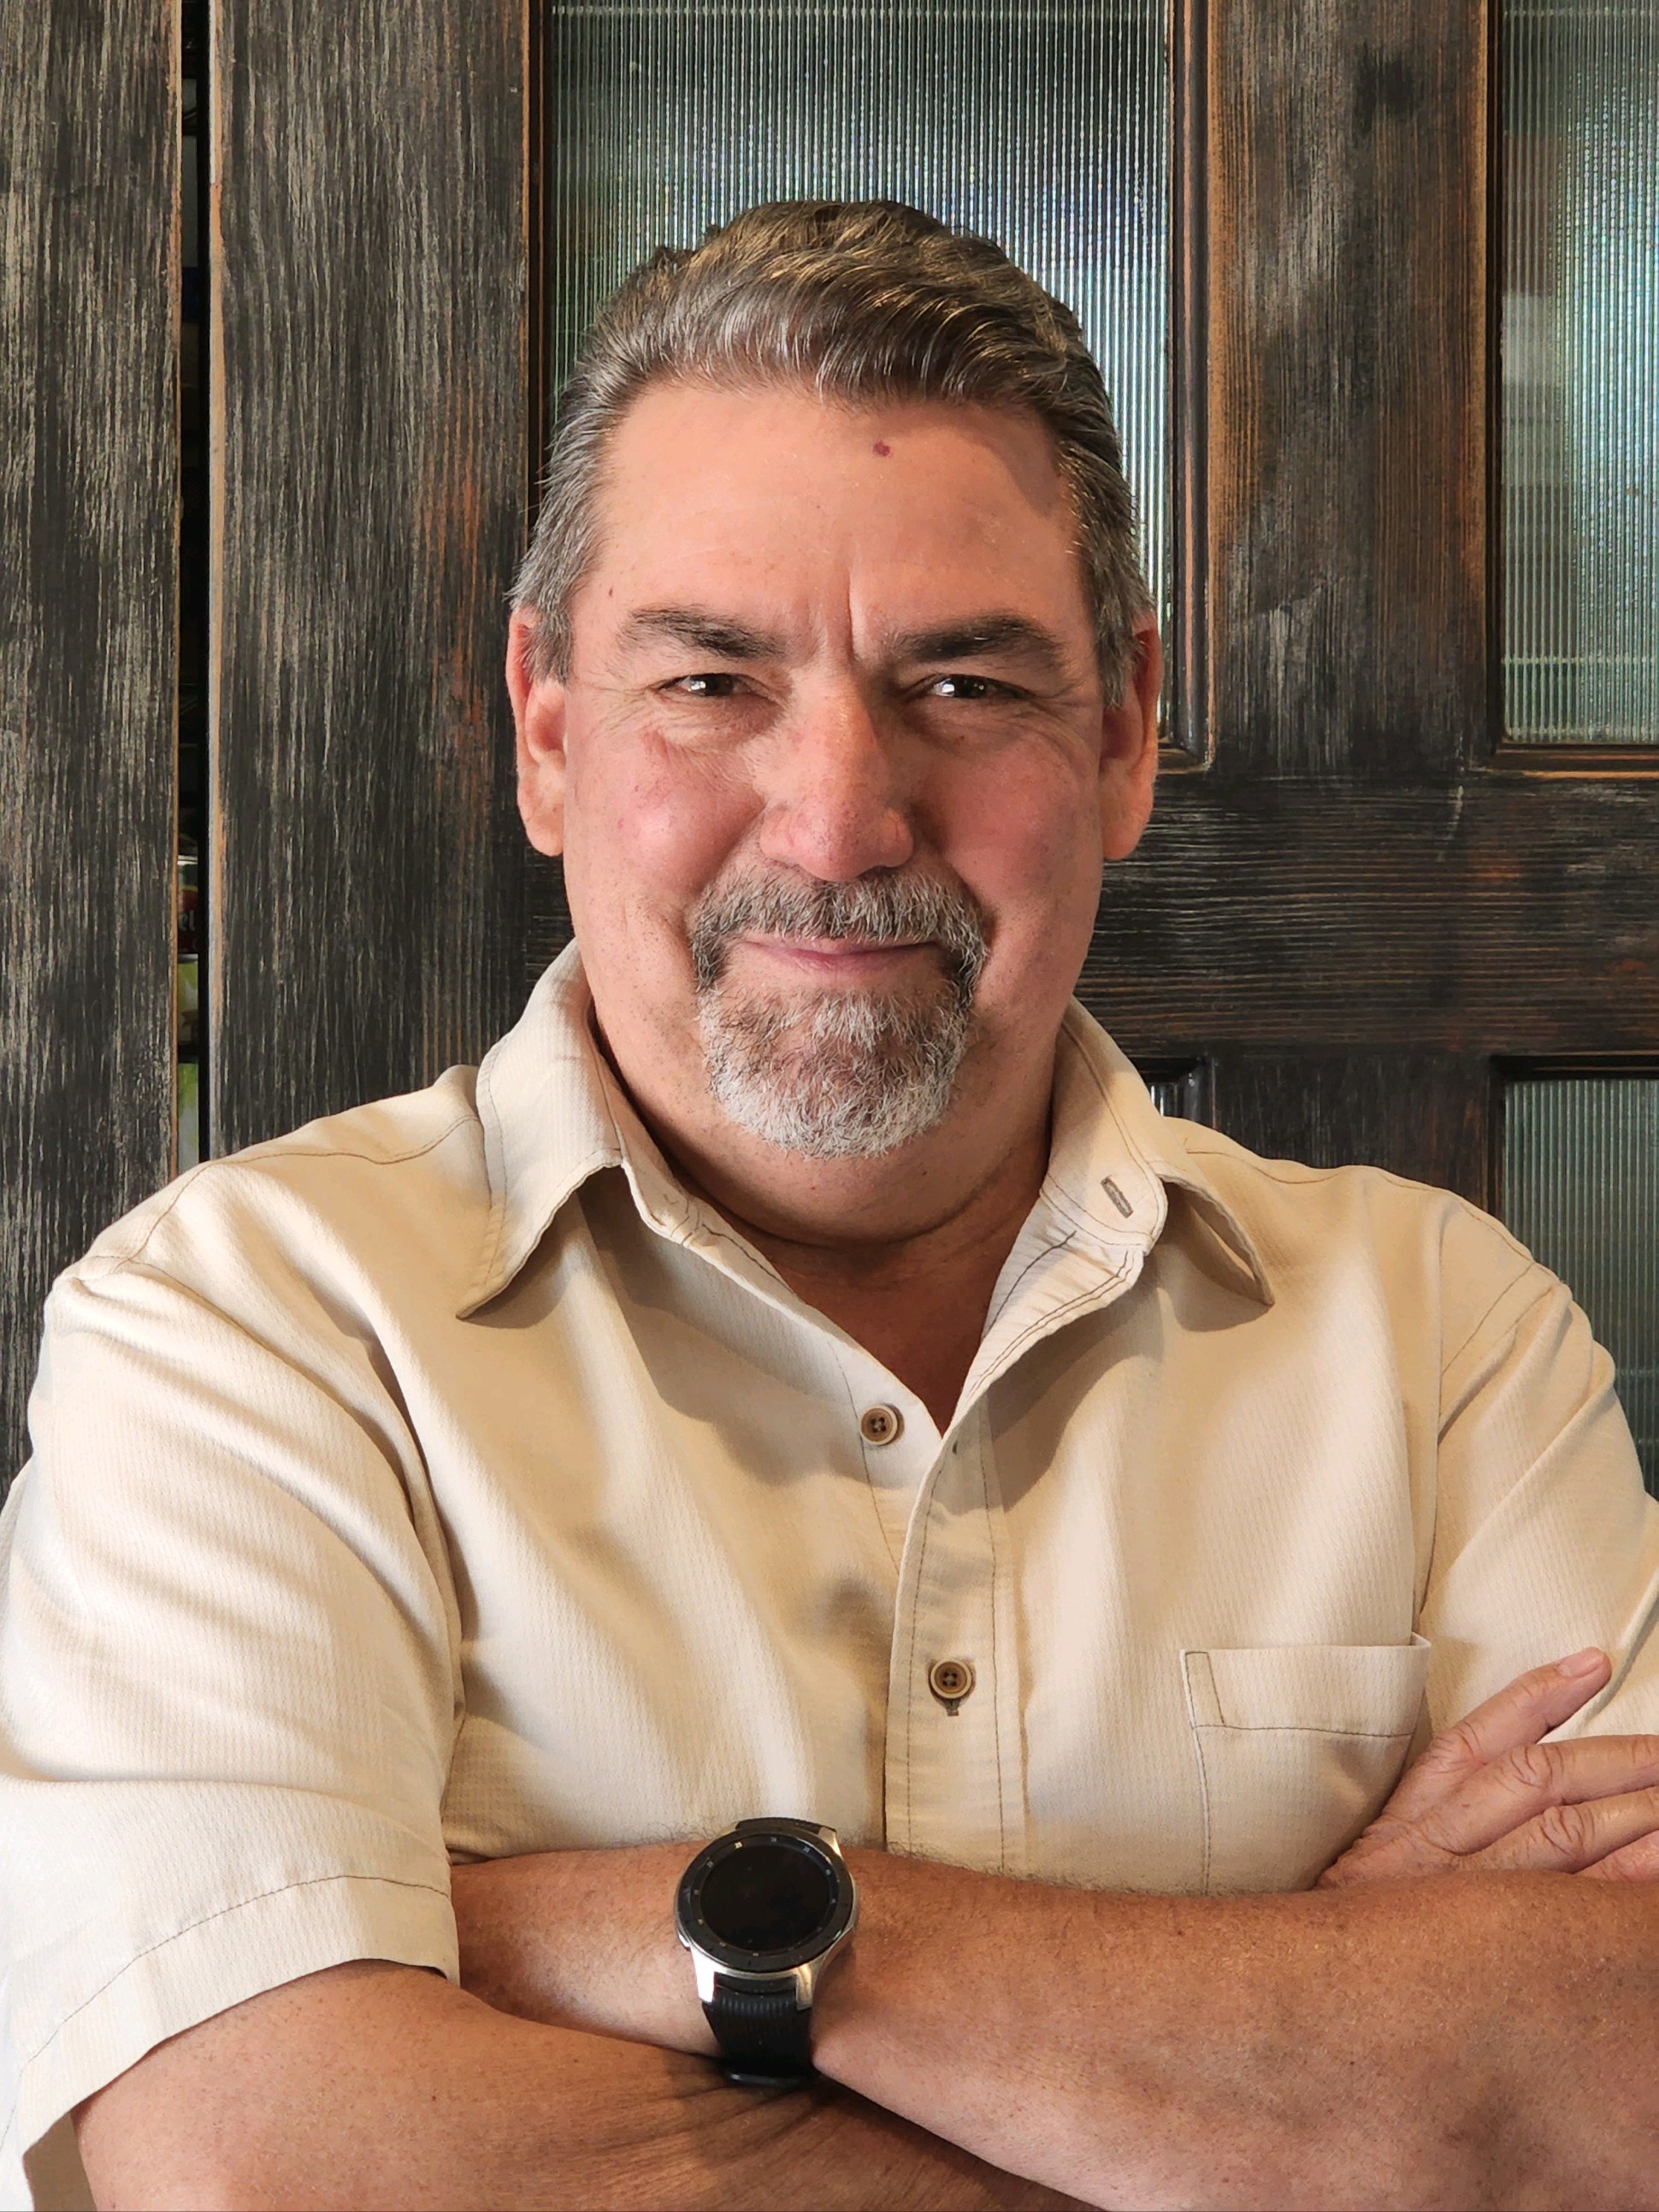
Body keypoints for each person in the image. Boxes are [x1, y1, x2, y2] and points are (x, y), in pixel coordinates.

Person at [4, 198, 1659, 2212]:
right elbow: (276, 2170)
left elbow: (1619, 2080)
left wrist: (663, 1930)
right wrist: (1330, 2055)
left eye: (959, 683)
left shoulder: (1440, 1336)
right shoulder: (250, 1326)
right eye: (712, 680)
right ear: (549, 729)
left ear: (1122, 732)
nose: (838, 815)